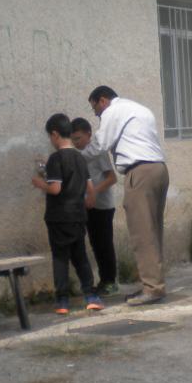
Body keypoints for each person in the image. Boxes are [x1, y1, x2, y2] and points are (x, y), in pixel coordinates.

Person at [88, 85, 169, 306]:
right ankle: (154, 284)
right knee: (153, 231)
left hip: (139, 172)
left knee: (142, 233)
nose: (97, 115)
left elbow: (100, 144)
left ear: (102, 100)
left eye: (95, 109)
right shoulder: (138, 108)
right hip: (159, 169)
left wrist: (74, 156)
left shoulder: (112, 111)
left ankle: (152, 289)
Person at [32, 114, 100, 314]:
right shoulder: (80, 157)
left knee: (60, 258)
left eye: (50, 137)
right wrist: (88, 201)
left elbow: (55, 189)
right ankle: (91, 295)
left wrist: (40, 183)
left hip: (59, 217)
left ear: (55, 134)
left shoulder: (56, 158)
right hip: (78, 215)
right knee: (80, 256)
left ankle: (62, 301)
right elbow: (90, 187)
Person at [69, 117, 119, 296]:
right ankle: (103, 280)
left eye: (78, 138)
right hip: (88, 206)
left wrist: (93, 192)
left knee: (104, 243)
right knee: (95, 243)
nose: (76, 143)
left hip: (103, 206)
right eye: (73, 140)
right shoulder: (79, 156)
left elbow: (112, 178)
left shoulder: (99, 153)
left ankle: (110, 281)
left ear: (89, 134)